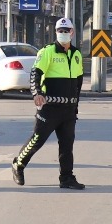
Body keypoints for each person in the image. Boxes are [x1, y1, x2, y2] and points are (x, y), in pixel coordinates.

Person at [10, 17, 86, 189]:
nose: (63, 34)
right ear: (56, 32)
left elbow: (78, 81)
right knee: (38, 139)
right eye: (60, 31)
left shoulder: (76, 54)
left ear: (72, 33)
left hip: (68, 109)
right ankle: (18, 164)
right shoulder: (47, 52)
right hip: (49, 107)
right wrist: (36, 93)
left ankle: (66, 177)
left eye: (66, 31)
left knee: (67, 144)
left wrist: (75, 106)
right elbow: (35, 74)